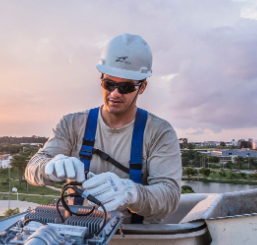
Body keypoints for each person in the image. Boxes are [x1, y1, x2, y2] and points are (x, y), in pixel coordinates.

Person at [25, 34, 182, 223]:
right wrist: (49, 167)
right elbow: (32, 169)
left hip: (137, 237)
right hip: (78, 234)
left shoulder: (159, 132)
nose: (114, 93)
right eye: (109, 84)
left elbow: (169, 198)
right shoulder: (71, 125)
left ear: (142, 87)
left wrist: (132, 193)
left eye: (125, 87)